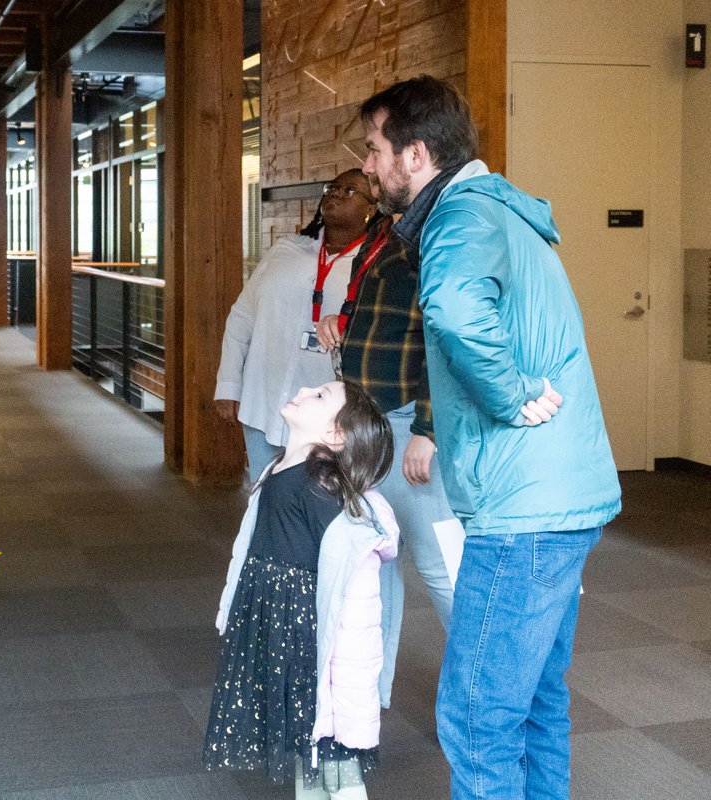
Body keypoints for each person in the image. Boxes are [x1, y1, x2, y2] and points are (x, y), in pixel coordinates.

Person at [358, 76, 621, 800]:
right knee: (535, 703)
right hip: (556, 499)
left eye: (375, 149)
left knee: (478, 717)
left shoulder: (460, 215)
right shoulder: (494, 209)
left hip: (523, 510)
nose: (368, 165)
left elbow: (453, 310)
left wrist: (511, 394)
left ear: (415, 154)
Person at [205, 381, 400, 800]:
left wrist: (350, 677)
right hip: (278, 625)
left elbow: (352, 585)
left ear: (335, 435)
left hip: (304, 635)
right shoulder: (276, 470)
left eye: (321, 395)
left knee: (331, 755)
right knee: (303, 741)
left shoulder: (320, 487)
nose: (307, 387)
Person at [316, 207, 459, 628]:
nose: (369, 174)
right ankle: (373, 675)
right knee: (375, 560)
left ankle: (488, 670)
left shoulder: (435, 229)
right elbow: (375, 310)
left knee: (438, 563)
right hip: (367, 418)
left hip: (409, 418)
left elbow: (444, 338)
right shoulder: (380, 230)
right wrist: (339, 322)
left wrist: (427, 429)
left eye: (374, 169)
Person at [215, 169, 378, 482]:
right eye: (332, 187)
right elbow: (241, 318)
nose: (334, 194)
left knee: (319, 500)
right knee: (262, 495)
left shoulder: (372, 263)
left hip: (326, 422)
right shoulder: (285, 250)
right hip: (263, 404)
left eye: (349, 191)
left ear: (371, 209)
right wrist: (228, 385)